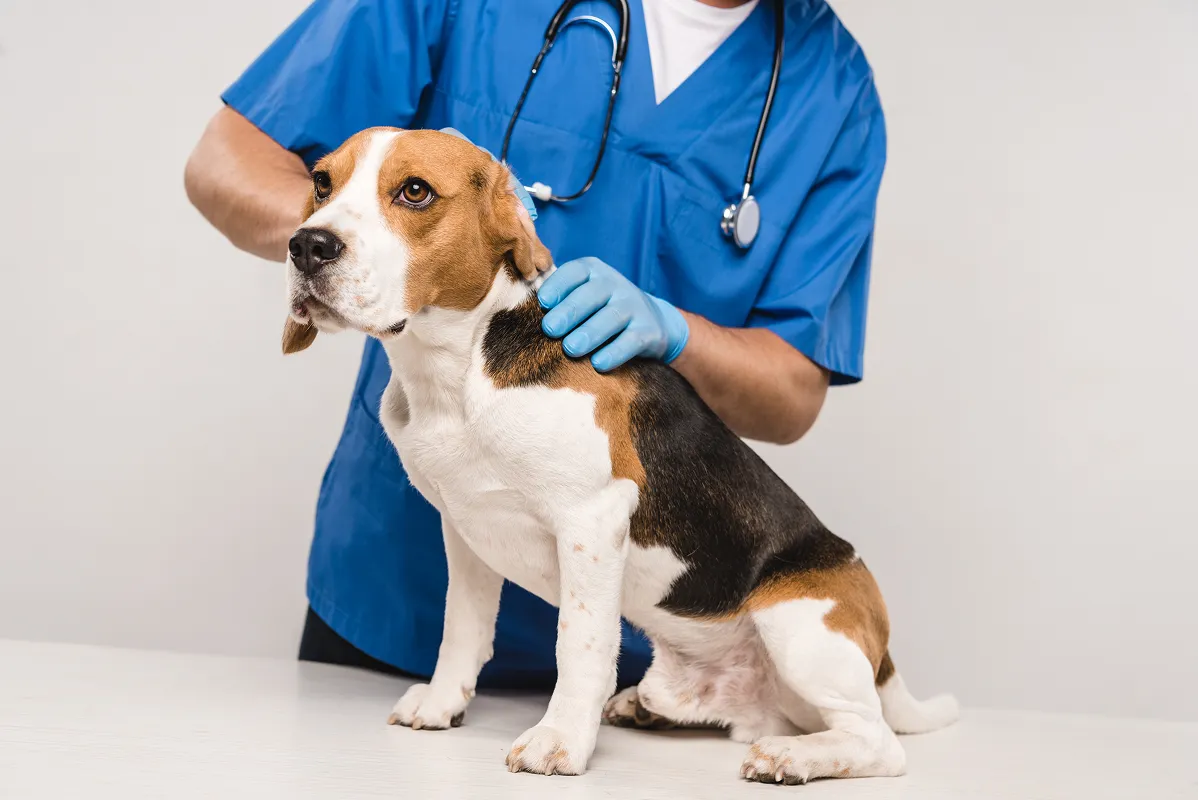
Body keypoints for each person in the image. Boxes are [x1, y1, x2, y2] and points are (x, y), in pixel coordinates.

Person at [184, 0, 886, 691]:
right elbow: (224, 162)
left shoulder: (832, 88)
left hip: (650, 656)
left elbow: (792, 392)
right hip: (404, 600)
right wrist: (361, 259)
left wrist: (675, 331)